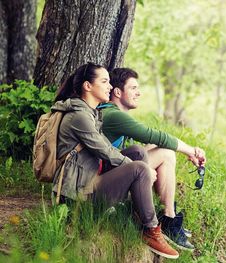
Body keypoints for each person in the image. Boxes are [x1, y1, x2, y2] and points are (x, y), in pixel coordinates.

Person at [51, 62, 179, 259]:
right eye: (104, 81)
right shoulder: (80, 117)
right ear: (88, 86)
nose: (110, 87)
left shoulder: (91, 113)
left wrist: (137, 163)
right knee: (139, 168)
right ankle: (151, 229)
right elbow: (106, 151)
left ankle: (138, 214)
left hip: (89, 180)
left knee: (137, 152)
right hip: (78, 197)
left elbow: (109, 150)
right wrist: (143, 170)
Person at [100, 67, 206, 250]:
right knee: (165, 152)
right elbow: (153, 135)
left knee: (158, 150)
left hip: (108, 172)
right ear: (117, 92)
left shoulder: (109, 112)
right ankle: (168, 219)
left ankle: (167, 216)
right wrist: (190, 150)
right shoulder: (114, 116)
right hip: (103, 184)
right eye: (133, 88)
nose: (138, 93)